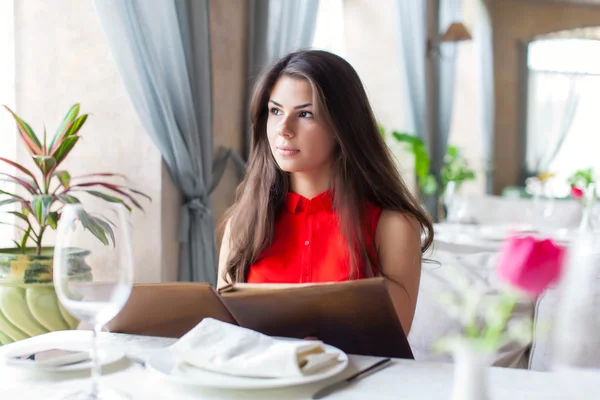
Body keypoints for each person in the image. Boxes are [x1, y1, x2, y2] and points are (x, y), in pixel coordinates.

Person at [217, 50, 434, 335]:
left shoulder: (393, 227)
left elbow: (389, 340)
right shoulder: (243, 224)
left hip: (359, 379)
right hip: (261, 378)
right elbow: (227, 335)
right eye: (275, 111)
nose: (284, 129)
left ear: (342, 126)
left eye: (305, 114)